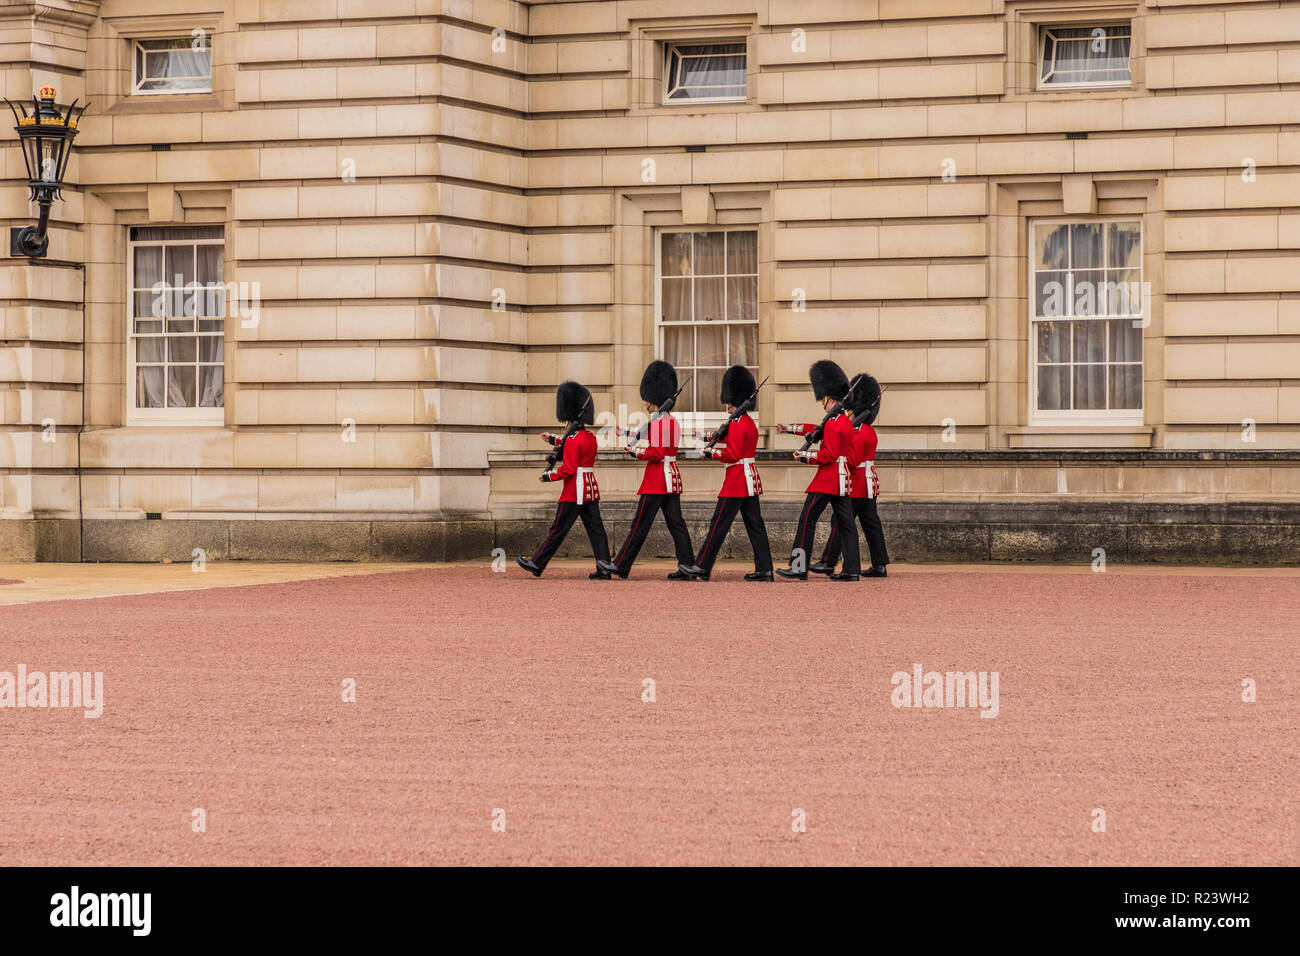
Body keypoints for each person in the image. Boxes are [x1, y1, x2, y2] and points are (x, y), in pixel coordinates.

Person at [597, 360, 697, 580]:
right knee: (676, 524)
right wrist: (623, 431)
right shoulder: (667, 421)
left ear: (655, 399)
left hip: (657, 480)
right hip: (669, 479)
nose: (644, 404)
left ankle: (621, 565)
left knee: (640, 524)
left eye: (647, 400)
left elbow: (657, 452)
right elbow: (644, 434)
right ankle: (688, 565)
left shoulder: (662, 422)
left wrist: (634, 453)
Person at [682, 365, 773, 581]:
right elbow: (724, 436)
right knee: (755, 526)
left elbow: (731, 453)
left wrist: (710, 453)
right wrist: (705, 437)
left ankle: (702, 566)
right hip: (749, 480)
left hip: (737, 481)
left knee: (718, 524)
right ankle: (765, 568)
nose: (726, 404)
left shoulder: (739, 423)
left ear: (734, 399)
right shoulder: (745, 422)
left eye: (728, 400)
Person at [775, 360, 861, 582]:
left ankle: (798, 566)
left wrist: (804, 456)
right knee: (847, 525)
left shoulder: (833, 423)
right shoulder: (842, 421)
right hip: (842, 480)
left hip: (828, 479)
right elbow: (815, 430)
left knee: (806, 520)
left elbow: (828, 455)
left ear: (829, 398)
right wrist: (790, 429)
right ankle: (852, 570)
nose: (822, 404)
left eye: (823, 400)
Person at [516, 381, 612, 579]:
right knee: (597, 530)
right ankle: (604, 567)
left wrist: (548, 476)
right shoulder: (589, 437)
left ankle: (536, 562)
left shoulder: (573, 439)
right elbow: (573, 442)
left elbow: (569, 468)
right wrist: (553, 438)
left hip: (574, 491)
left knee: (558, 529)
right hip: (590, 489)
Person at [811, 373, 890, 579]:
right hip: (869, 484)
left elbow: (852, 459)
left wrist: (834, 454)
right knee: (871, 524)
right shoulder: (868, 431)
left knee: (840, 522)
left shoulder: (856, 432)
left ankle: (828, 561)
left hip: (856, 484)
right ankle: (880, 564)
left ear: (854, 410)